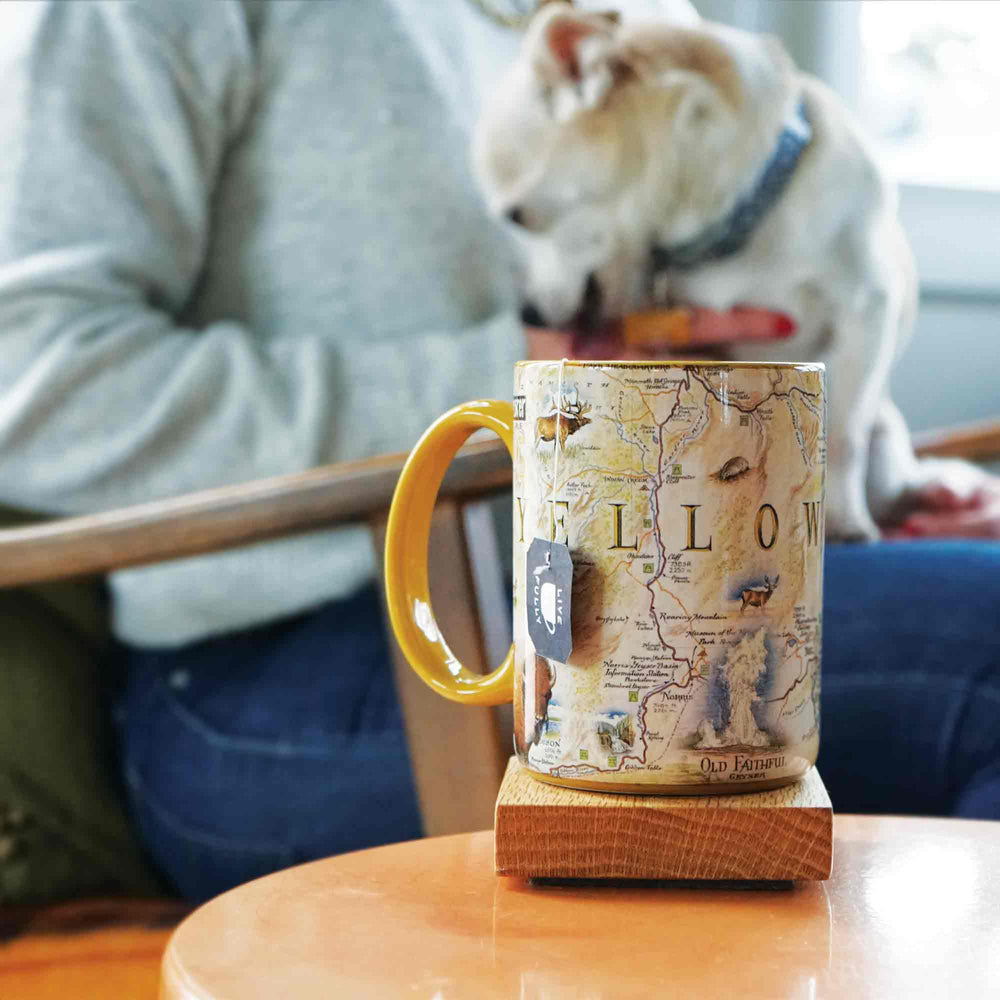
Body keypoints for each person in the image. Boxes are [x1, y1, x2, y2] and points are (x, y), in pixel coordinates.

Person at [1, 0, 997, 902]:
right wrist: (519, 374)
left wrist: (879, 470)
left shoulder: (630, 37)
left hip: (636, 599)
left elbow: (700, 318)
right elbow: (31, 387)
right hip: (287, 675)